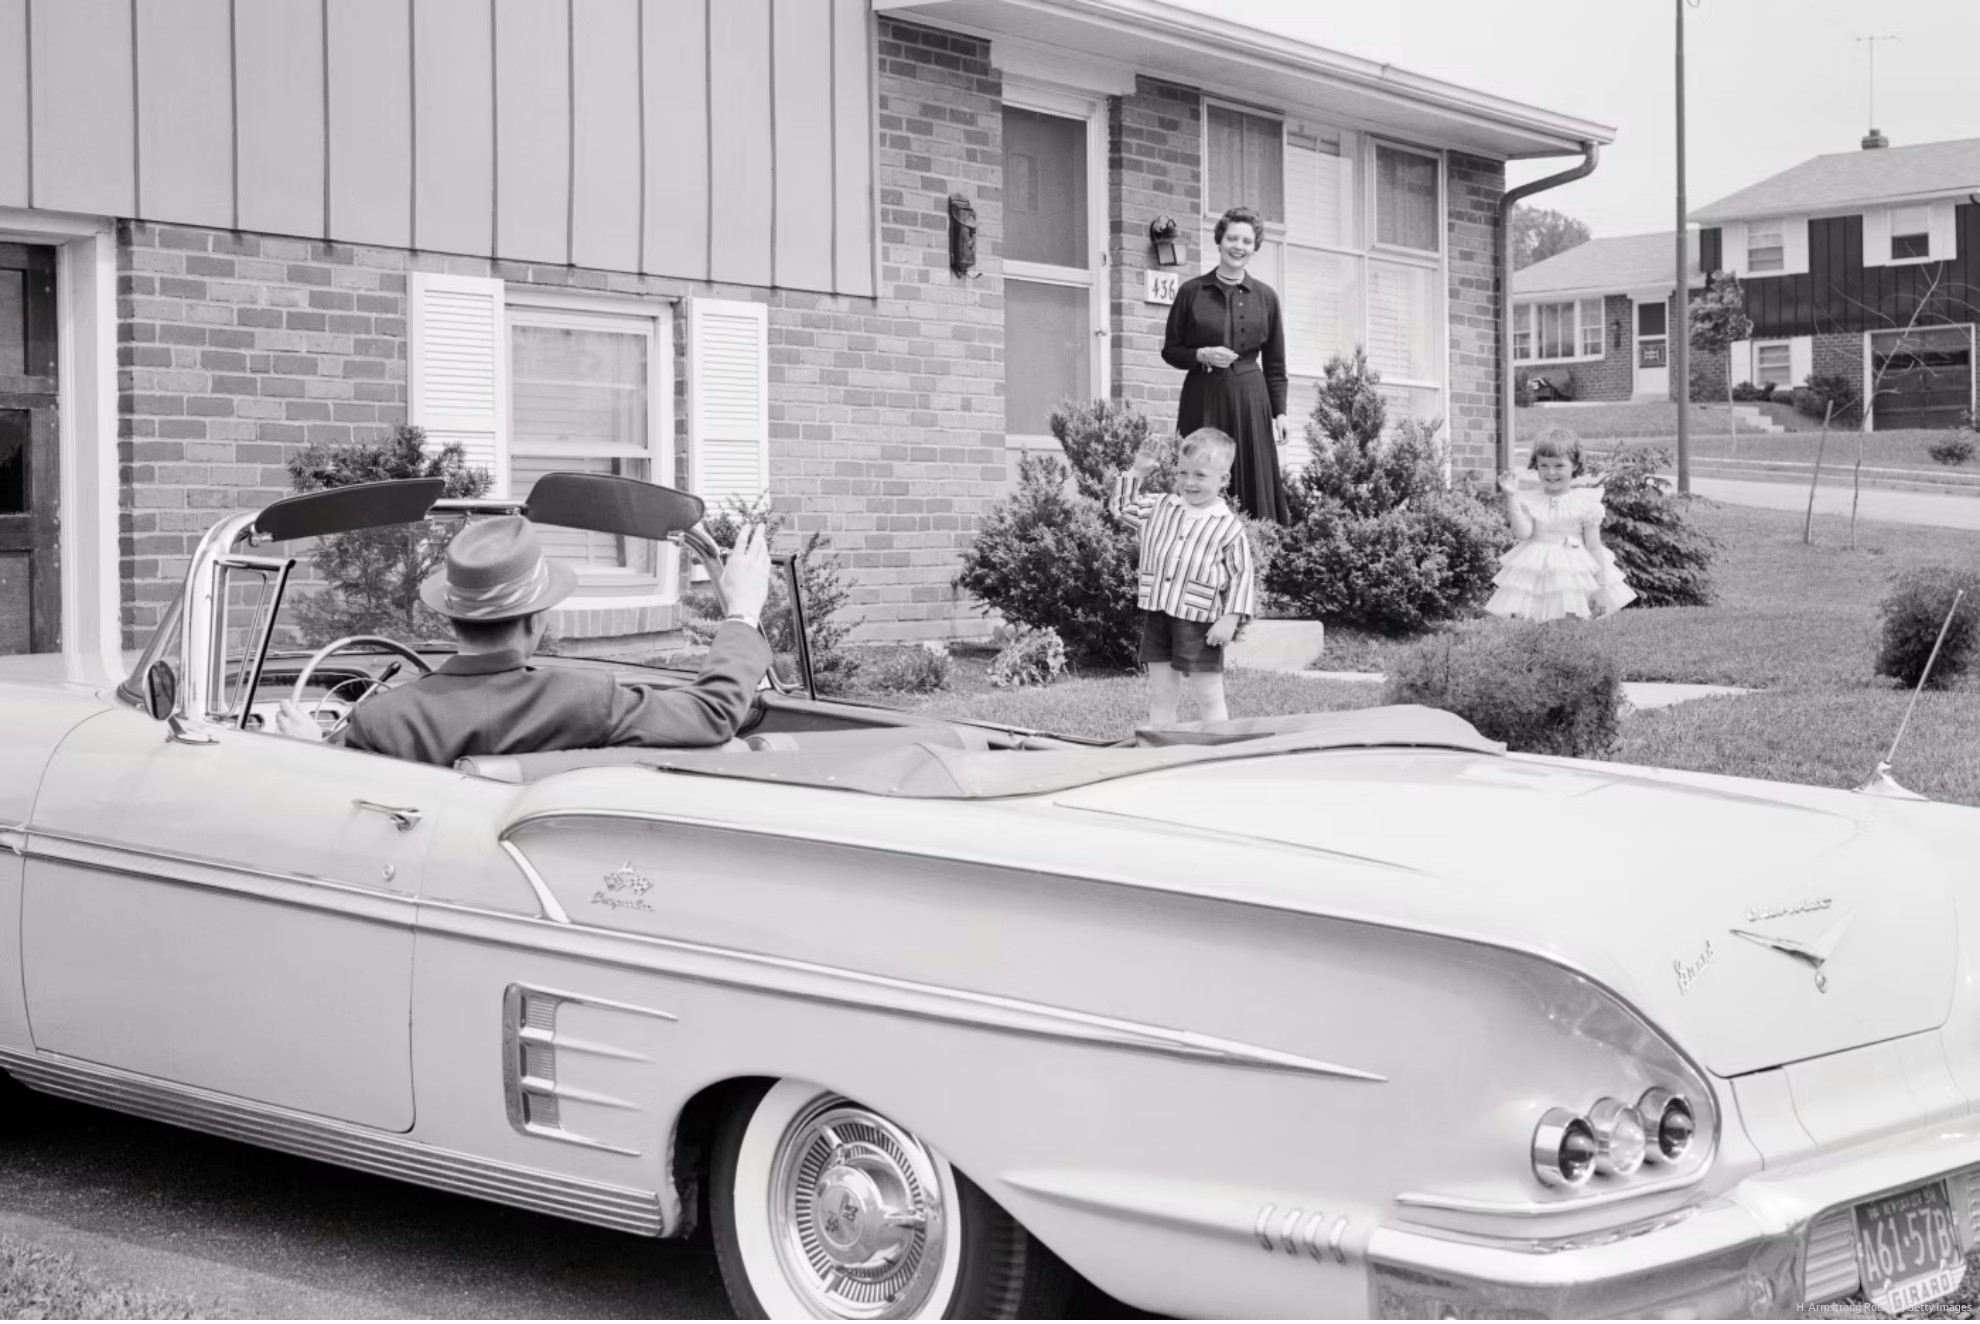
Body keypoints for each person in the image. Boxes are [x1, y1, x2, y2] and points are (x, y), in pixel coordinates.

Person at [272, 515, 774, 767]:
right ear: (538, 621)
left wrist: (312, 752)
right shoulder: (586, 700)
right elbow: (713, 714)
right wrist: (742, 612)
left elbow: (336, 795)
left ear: (451, 620)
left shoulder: (381, 719)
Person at [1109, 427, 1258, 727]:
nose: (1189, 482)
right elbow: (1121, 508)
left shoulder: (1227, 526)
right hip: (1158, 615)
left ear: (1223, 480)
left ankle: (1218, 745)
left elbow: (1241, 574)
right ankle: (1163, 743)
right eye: (1182, 473)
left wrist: (1230, 619)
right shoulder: (1159, 507)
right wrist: (1138, 471)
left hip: (1200, 622)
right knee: (1162, 692)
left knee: (1208, 693)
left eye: (1200, 475)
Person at [1159, 205, 1291, 525]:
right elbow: (1171, 351)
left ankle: (1255, 543)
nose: (1238, 246)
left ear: (1255, 247)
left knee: (1252, 472)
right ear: (1219, 240)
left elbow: (1275, 363)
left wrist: (1281, 413)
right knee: (1201, 466)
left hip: (1251, 400)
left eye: (1246, 241)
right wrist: (1202, 355)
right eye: (1232, 238)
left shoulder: (1266, 297)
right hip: (1203, 396)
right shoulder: (1191, 292)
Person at [1485, 429, 1635, 622]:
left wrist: (1600, 587)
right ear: (1536, 466)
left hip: (1572, 570)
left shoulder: (1585, 502)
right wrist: (1513, 496)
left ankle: (1567, 640)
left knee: (1568, 620)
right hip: (1538, 570)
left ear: (1574, 465)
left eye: (1559, 465)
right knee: (1536, 621)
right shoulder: (1532, 500)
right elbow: (1522, 534)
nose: (1551, 472)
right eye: (1544, 465)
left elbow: (1594, 547)